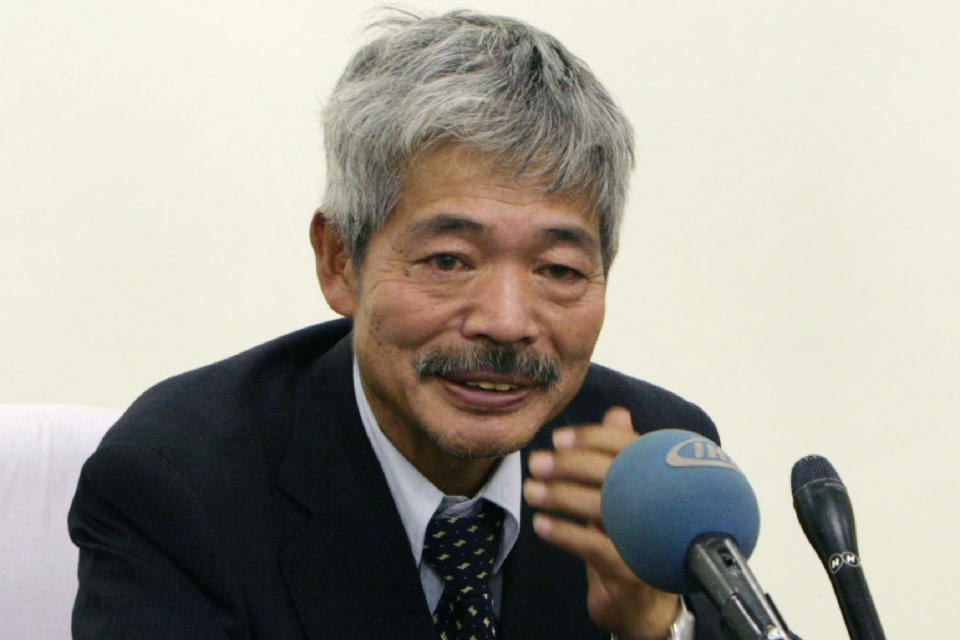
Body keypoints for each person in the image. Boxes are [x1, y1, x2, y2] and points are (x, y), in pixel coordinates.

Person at [69, 9, 728, 640]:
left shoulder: (657, 473)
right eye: (449, 260)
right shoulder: (182, 484)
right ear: (340, 263)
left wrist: (656, 631)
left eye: (557, 270)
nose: (505, 323)